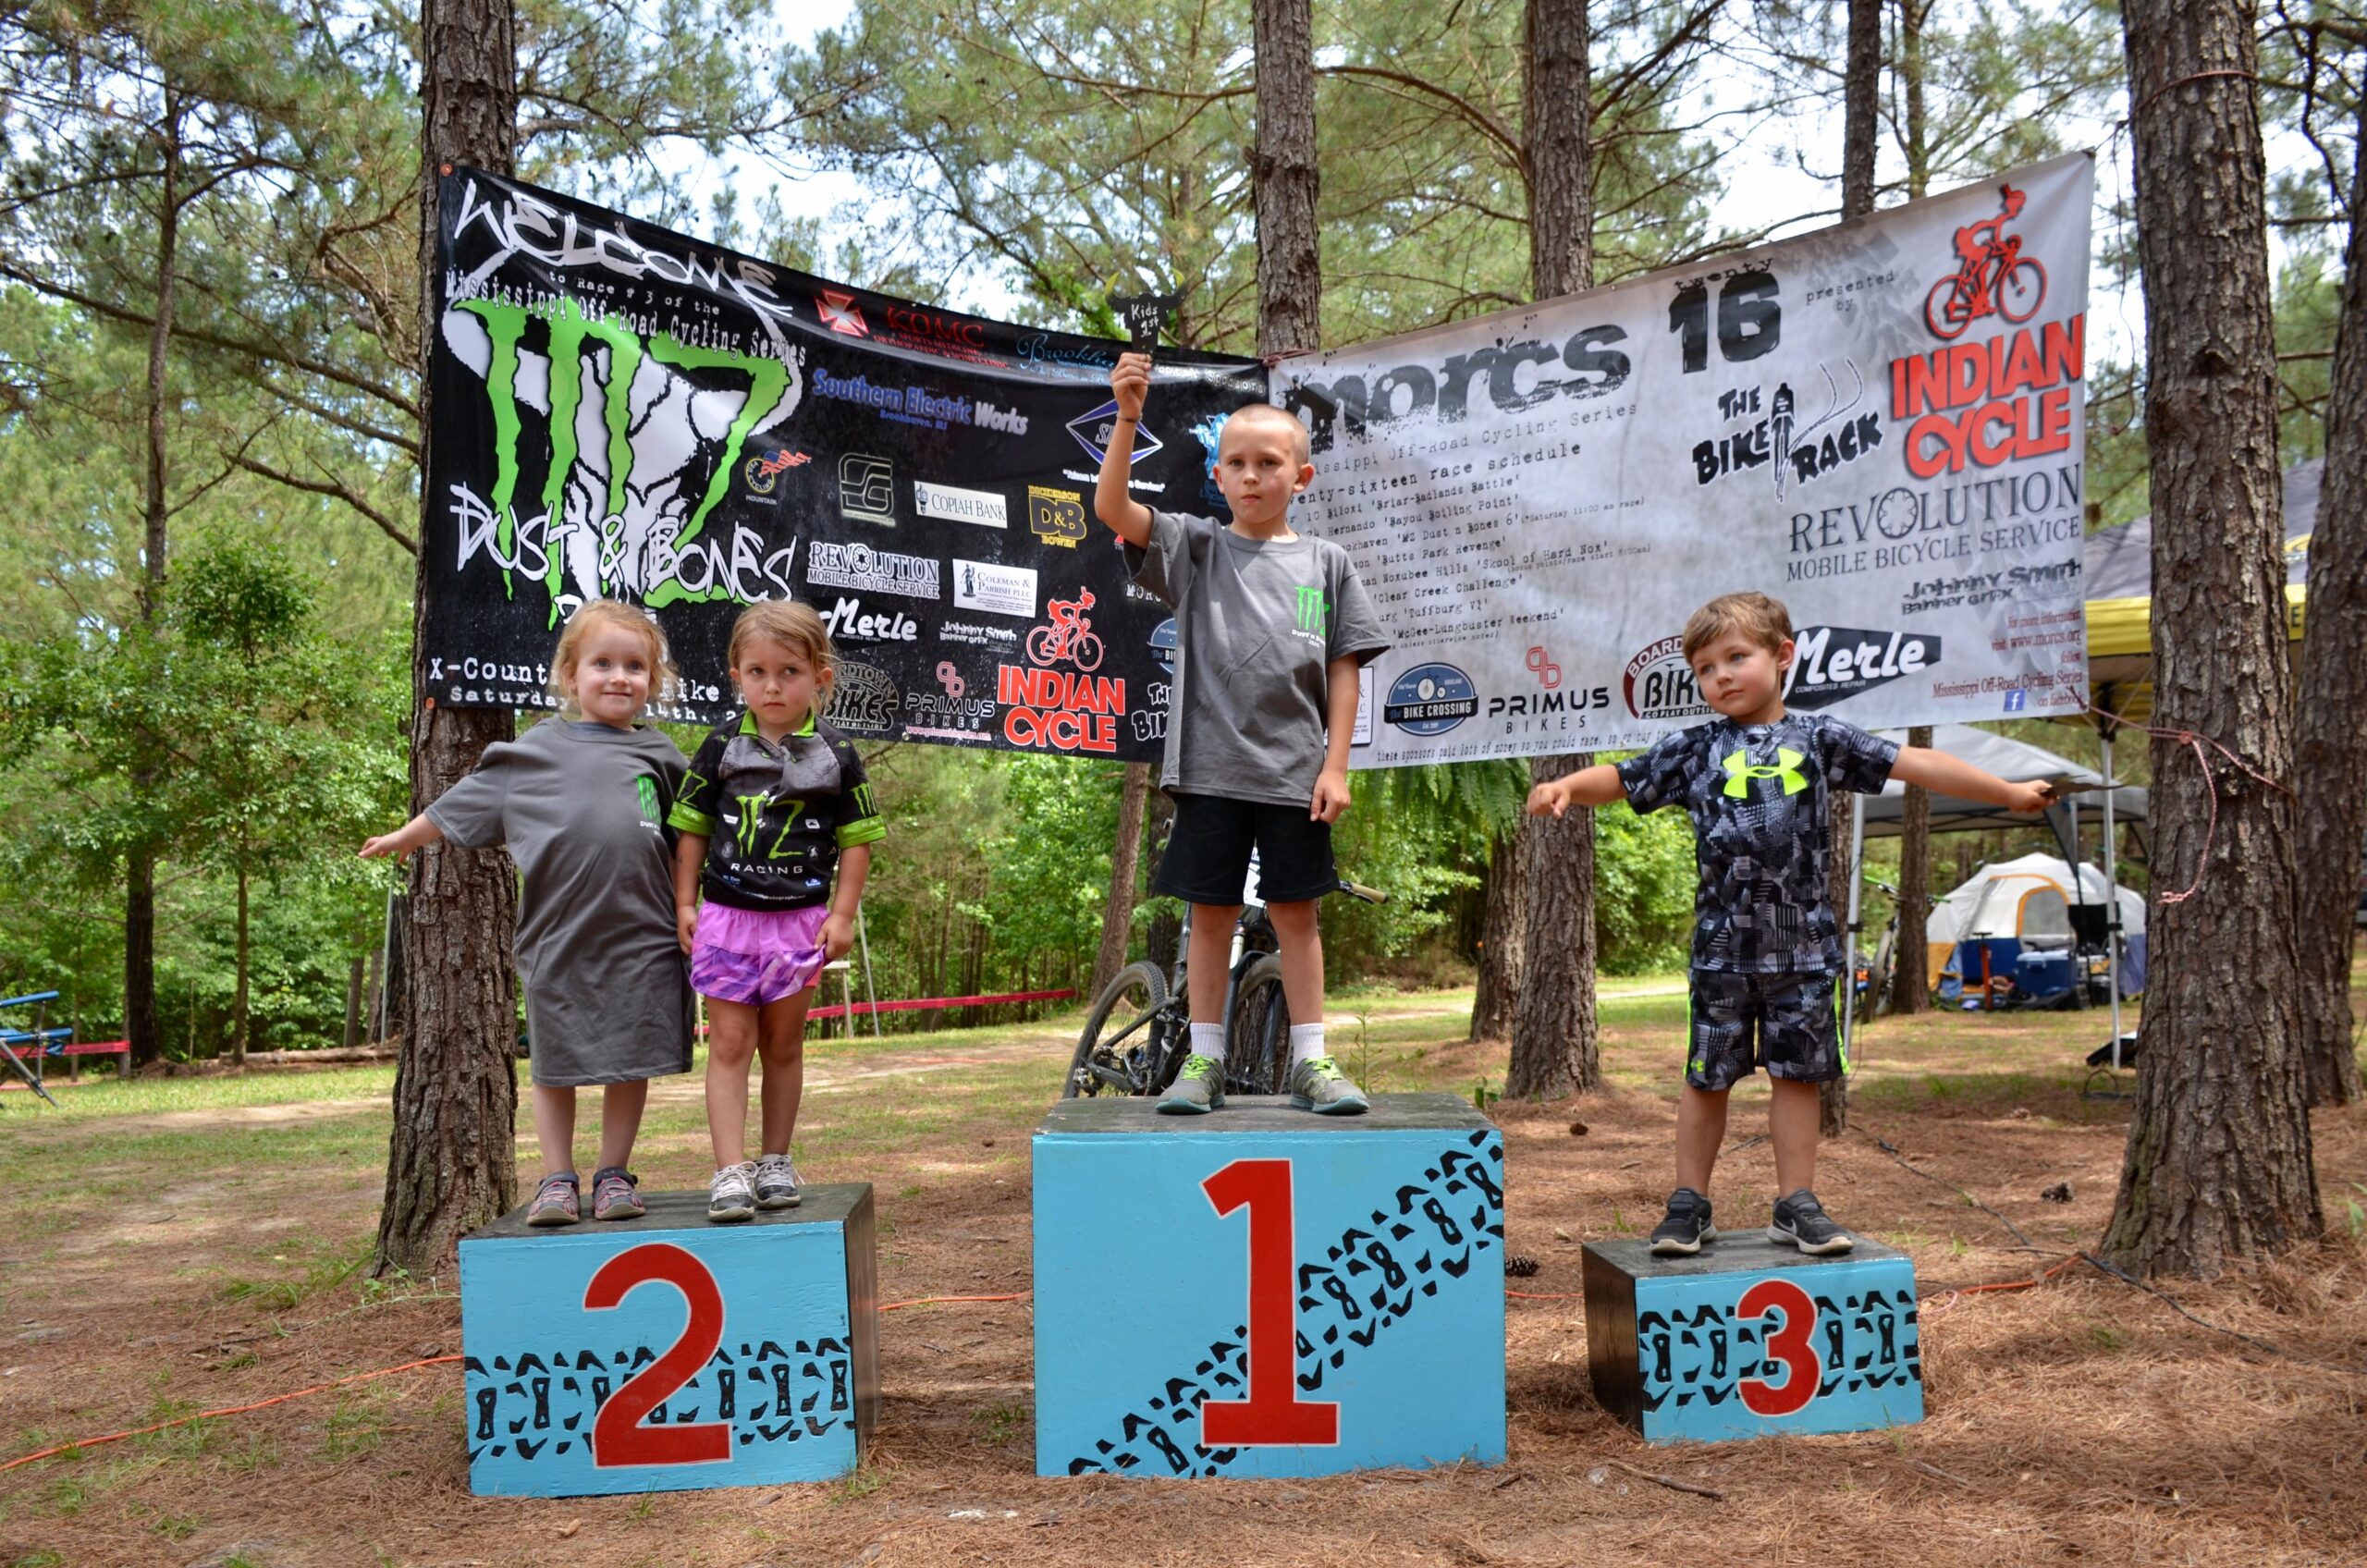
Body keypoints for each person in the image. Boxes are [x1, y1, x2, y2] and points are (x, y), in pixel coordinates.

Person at [1526, 591, 2049, 1256]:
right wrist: (1569, 785)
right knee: (1705, 1077)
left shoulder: (1820, 738)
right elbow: (1624, 779)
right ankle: (1689, 1203)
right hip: (1722, 954)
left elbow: (1914, 765)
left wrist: (2007, 793)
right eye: (1706, 668)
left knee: (1796, 1078)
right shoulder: (1694, 749)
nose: (1721, 675)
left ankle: (1795, 1202)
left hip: (1802, 953)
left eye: (1736, 657)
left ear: (1782, 657)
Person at [1094, 351, 1390, 1115]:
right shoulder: (1196, 548)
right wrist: (1127, 417)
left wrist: (1336, 768)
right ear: (1217, 477)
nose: (1252, 475)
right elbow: (1113, 510)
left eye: (1269, 462)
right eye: (1237, 463)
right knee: (1212, 916)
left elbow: (1345, 670)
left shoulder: (1328, 565)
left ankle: (1313, 1063)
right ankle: (1204, 1062)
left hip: (1296, 776)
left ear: (1302, 477)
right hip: (1209, 771)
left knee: (1297, 917)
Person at [361, 599, 693, 1227]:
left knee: (630, 1059)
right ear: (571, 676)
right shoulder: (535, 750)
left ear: (653, 680)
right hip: (559, 938)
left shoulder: (663, 757)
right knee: (555, 1062)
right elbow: (461, 802)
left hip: (645, 937)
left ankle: (615, 1173)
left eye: (634, 667)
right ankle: (557, 1178)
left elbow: (698, 833)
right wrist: (404, 839)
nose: (619, 678)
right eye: (603, 664)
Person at [670, 601, 883, 1221]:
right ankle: (730, 1171)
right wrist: (686, 902)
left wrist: (841, 917)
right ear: (736, 675)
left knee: (784, 1044)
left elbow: (858, 842)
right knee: (730, 1042)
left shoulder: (838, 754)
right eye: (758, 672)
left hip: (800, 922)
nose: (773, 685)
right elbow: (691, 830)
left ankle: (775, 1161)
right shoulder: (719, 747)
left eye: (789, 671)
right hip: (727, 919)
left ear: (820, 676)